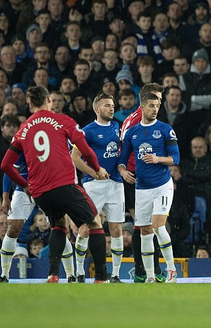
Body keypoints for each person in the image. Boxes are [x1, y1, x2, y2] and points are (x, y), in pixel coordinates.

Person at [1, 86, 110, 283]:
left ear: (30, 104)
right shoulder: (63, 121)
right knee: (94, 223)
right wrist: (97, 168)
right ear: (49, 100)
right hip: (64, 185)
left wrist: (24, 184)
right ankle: (102, 277)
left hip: (40, 191)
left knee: (59, 225)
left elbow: (5, 165)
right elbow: (85, 150)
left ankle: (53, 274)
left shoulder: (23, 129)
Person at [118, 91, 180, 283]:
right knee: (144, 231)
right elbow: (122, 159)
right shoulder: (132, 133)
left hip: (162, 185)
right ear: (142, 107)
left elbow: (175, 158)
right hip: (141, 188)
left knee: (158, 226)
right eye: (151, 106)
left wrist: (157, 159)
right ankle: (150, 276)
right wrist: (122, 171)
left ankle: (171, 270)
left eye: (157, 106)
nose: (155, 109)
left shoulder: (165, 129)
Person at [71, 93, 125, 283]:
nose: (112, 108)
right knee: (86, 228)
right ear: (97, 109)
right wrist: (94, 172)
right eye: (107, 105)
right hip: (93, 185)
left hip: (116, 184)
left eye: (112, 105)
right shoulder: (87, 131)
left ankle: (116, 274)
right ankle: (79, 272)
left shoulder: (117, 126)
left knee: (117, 229)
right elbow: (74, 158)